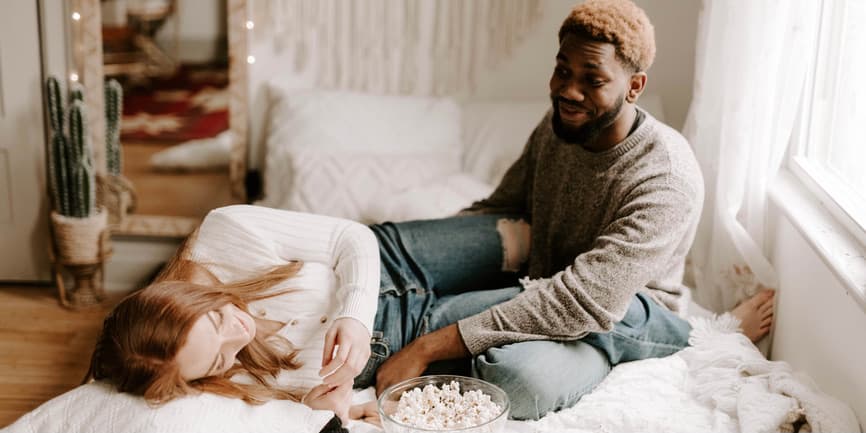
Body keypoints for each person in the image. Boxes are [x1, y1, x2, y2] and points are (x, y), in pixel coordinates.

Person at [360, 0, 775, 420]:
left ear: (634, 87)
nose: (568, 91)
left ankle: (701, 335)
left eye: (592, 80)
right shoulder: (563, 122)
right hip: (545, 277)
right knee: (376, 247)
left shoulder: (667, 177)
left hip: (610, 314)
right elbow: (501, 207)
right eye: (563, 70)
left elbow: (581, 300)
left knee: (514, 379)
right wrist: (431, 261)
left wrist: (427, 345)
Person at [85, 205, 382, 433]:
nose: (241, 336)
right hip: (397, 348)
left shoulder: (225, 230)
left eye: (216, 320)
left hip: (397, 263)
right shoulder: (213, 385)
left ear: (185, 294)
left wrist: (356, 316)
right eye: (218, 360)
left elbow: (352, 237)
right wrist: (316, 411)